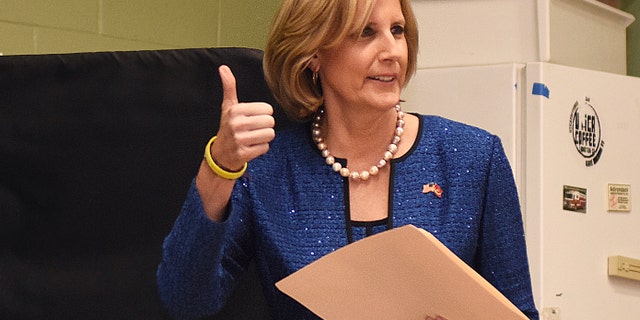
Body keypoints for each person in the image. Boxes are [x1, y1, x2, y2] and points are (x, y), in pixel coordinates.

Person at [157, 0, 539, 319]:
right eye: (366, 33)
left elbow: (518, 311)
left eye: (398, 30)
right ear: (313, 54)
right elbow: (186, 301)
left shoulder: (473, 158)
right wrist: (219, 167)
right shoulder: (268, 171)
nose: (392, 51)